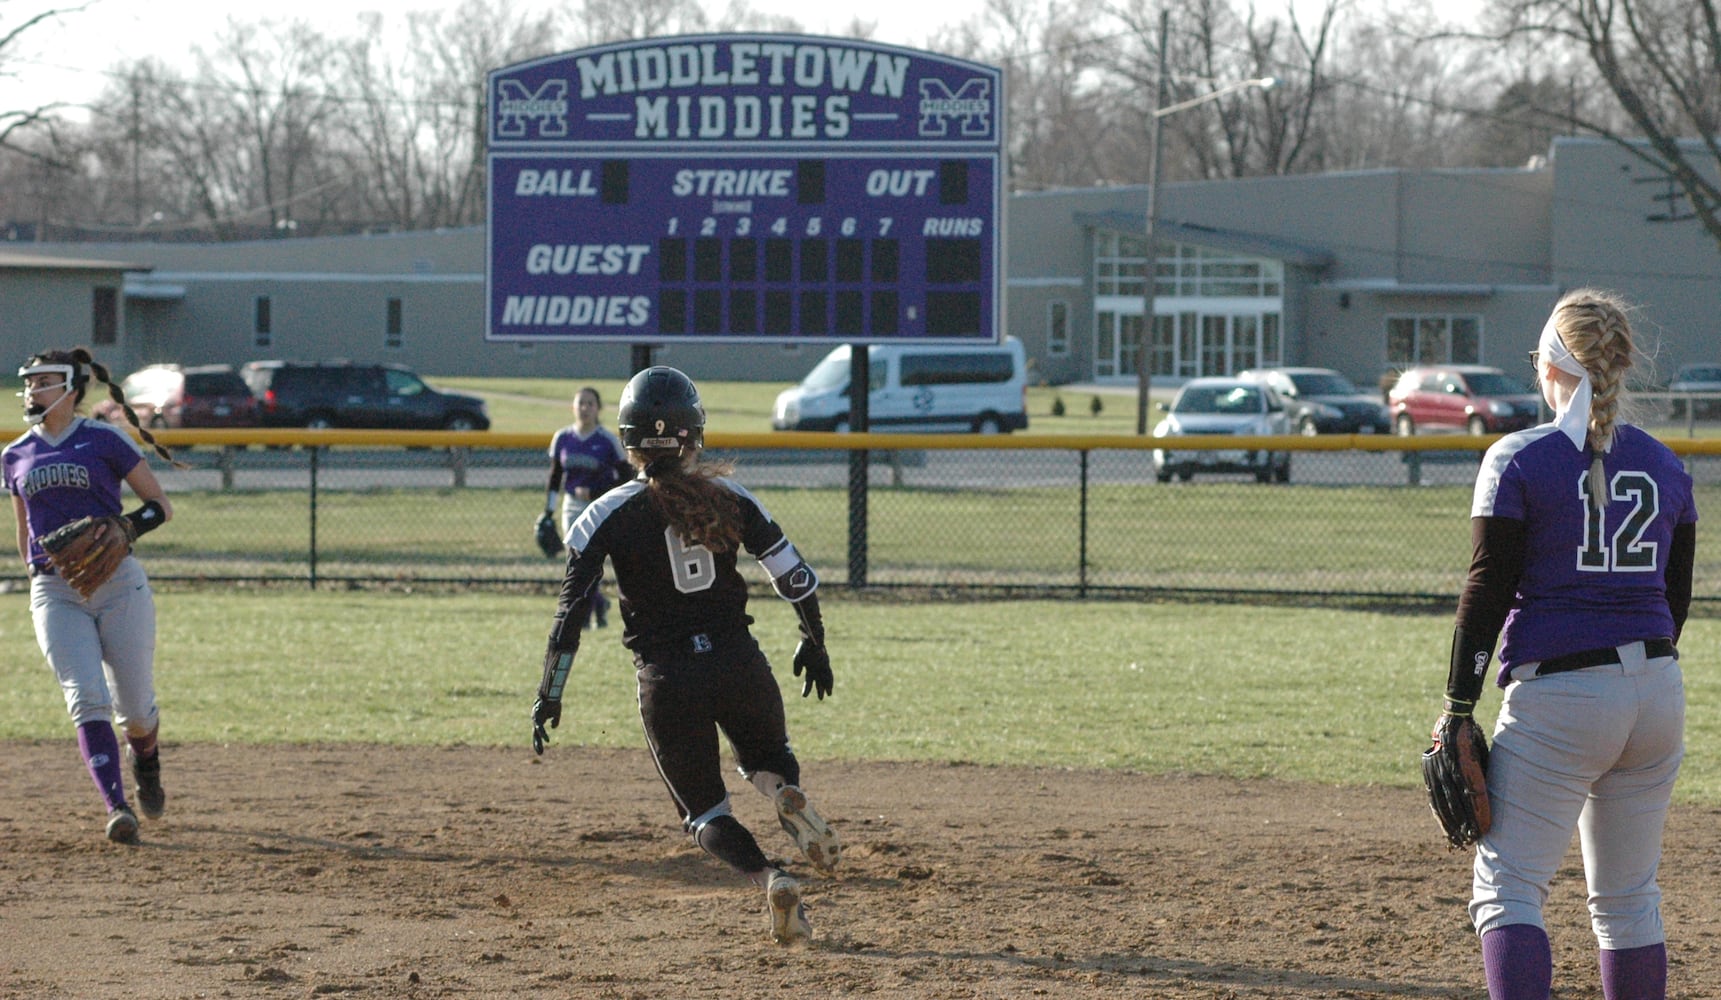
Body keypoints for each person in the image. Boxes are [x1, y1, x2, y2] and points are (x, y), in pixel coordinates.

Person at [1434, 289, 1693, 1000]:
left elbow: (1486, 590)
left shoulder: (1518, 458)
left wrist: (1458, 704)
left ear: (1551, 367)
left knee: (1507, 889)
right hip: (1657, 693)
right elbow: (1673, 603)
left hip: (1561, 692)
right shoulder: (1668, 465)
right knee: (1627, 899)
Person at [530, 366, 840, 945]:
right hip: (739, 664)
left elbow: (569, 616)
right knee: (768, 758)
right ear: (695, 434)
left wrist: (551, 691)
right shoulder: (732, 496)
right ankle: (783, 795)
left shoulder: (604, 513)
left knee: (706, 814)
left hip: (668, 679)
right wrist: (814, 641)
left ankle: (770, 877)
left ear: (627, 440)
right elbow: (796, 579)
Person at [4, 348, 179, 844]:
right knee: (86, 698)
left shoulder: (105, 439)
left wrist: (126, 528)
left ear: (72, 388)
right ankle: (116, 806)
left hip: (119, 583)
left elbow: (160, 507)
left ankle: (146, 763)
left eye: (42, 381)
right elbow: (24, 535)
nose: (32, 390)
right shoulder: (14, 453)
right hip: (56, 592)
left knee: (138, 714)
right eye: (29, 382)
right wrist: (41, 578)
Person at [541, 386, 627, 628]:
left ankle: (589, 610)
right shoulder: (563, 438)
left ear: (598, 408)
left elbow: (625, 479)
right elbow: (555, 476)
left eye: (590, 404)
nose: (585, 408)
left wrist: (597, 492)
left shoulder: (607, 440)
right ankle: (595, 605)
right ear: (573, 407)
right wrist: (548, 510)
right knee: (576, 560)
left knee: (589, 560)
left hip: (599, 507)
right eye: (581, 403)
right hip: (572, 506)